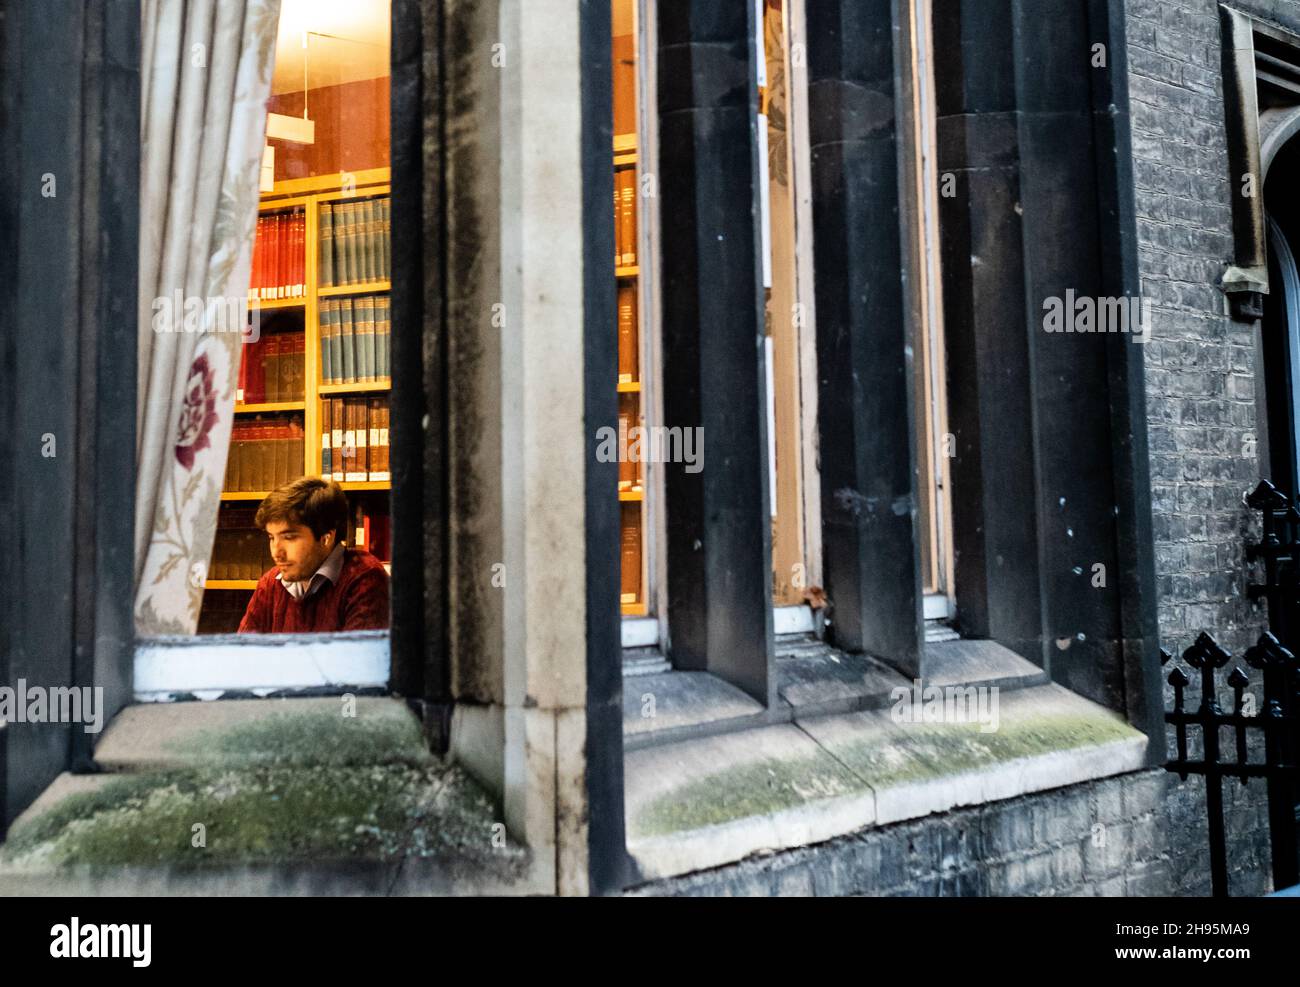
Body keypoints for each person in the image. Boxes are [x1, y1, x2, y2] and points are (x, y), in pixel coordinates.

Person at [237, 477, 389, 633]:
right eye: (271, 538)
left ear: (326, 538)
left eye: (289, 537)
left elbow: (355, 656)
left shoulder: (365, 578)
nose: (276, 553)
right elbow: (241, 654)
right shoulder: (270, 583)